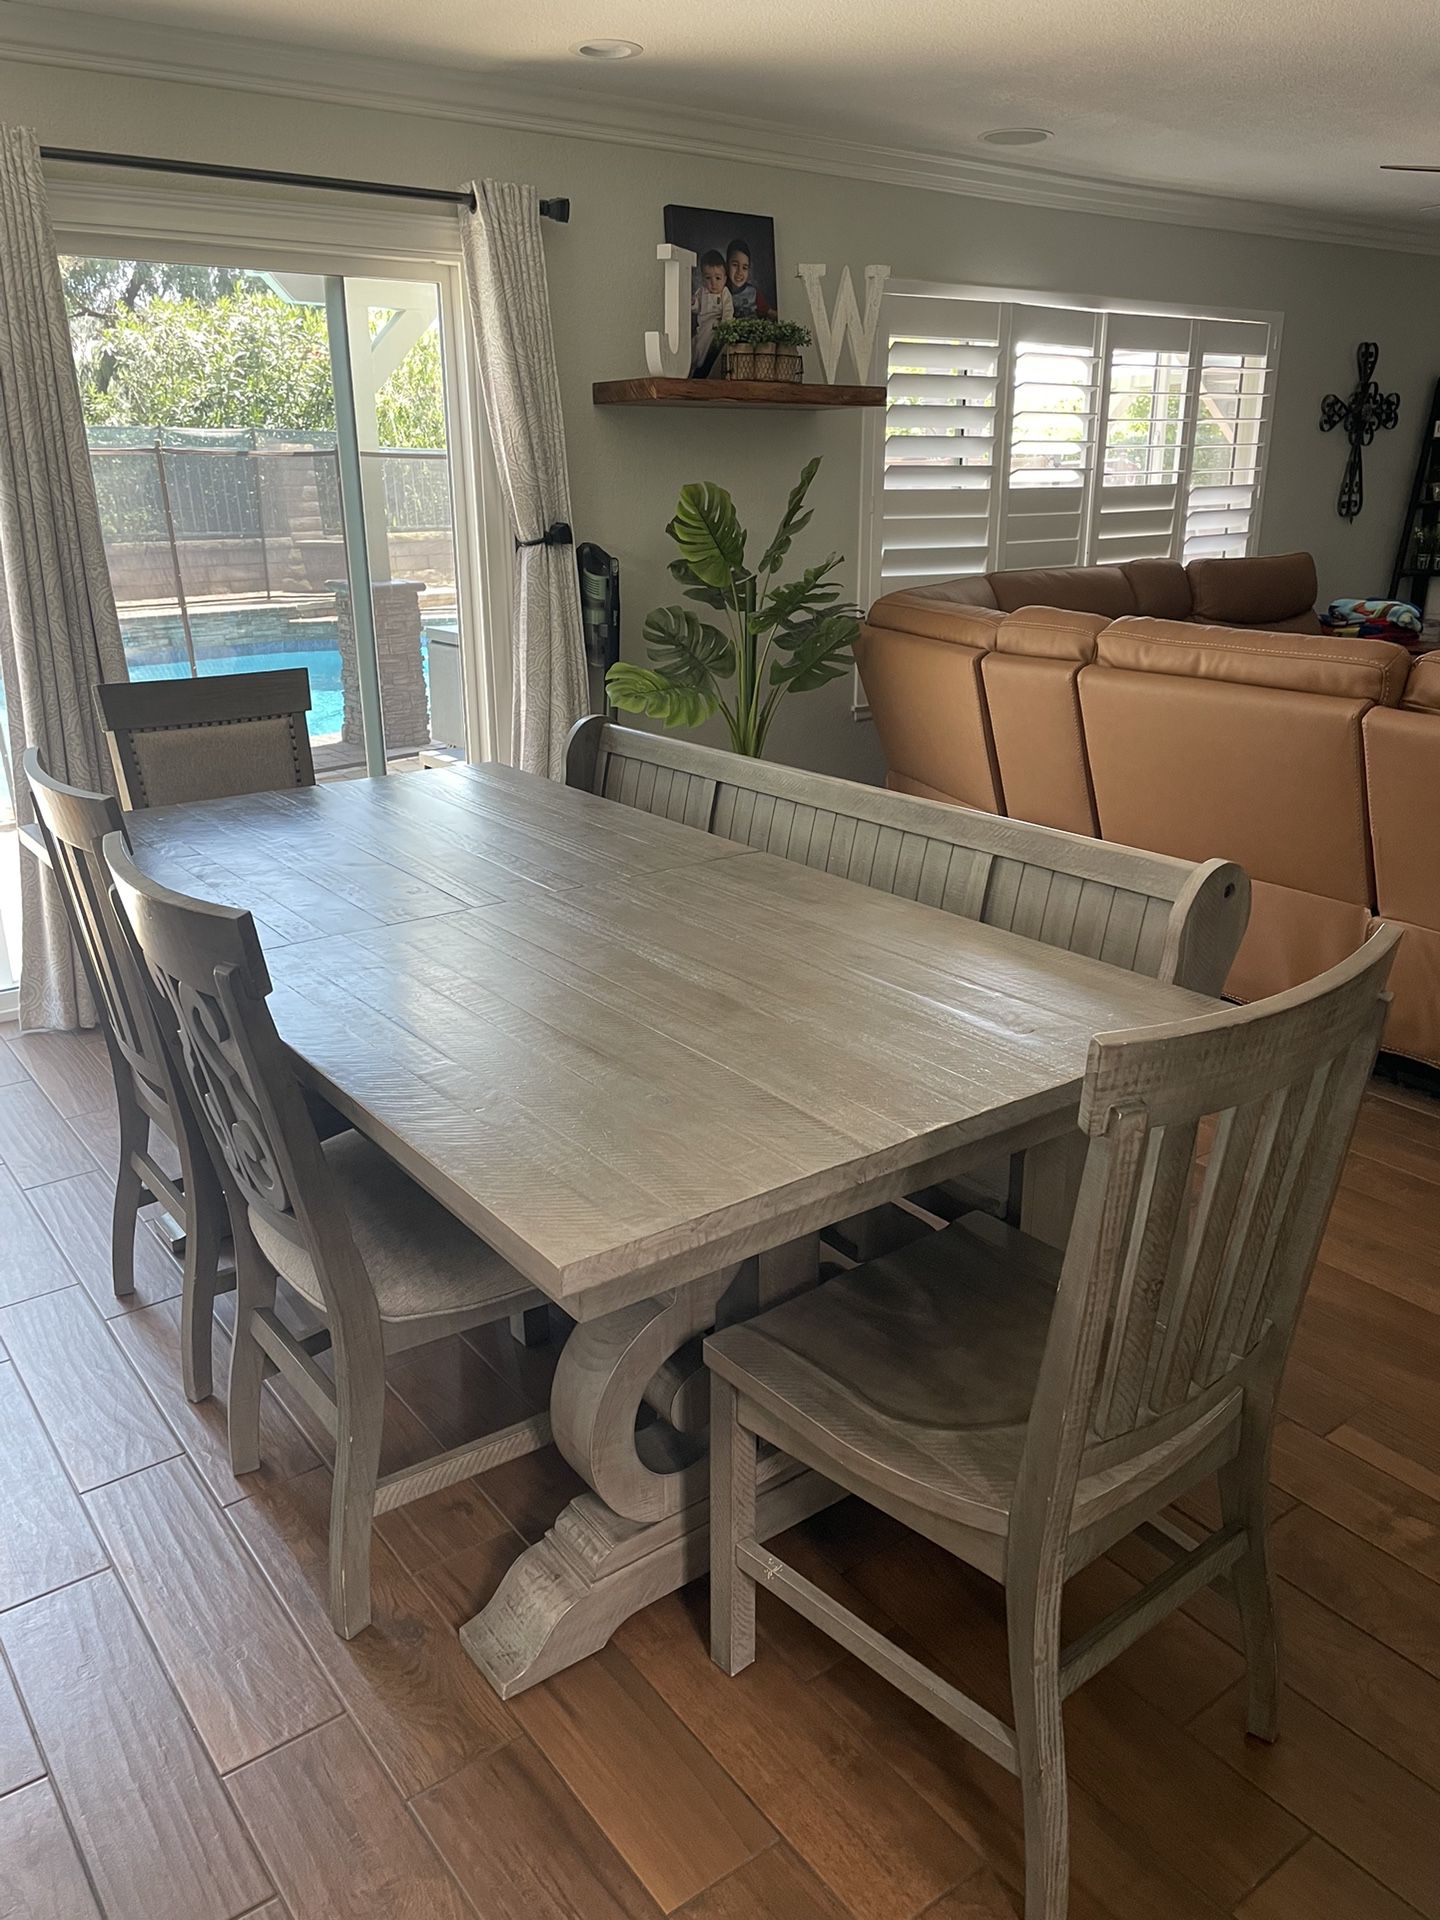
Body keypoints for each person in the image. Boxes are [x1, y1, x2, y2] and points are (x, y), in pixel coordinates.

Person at [691, 250, 733, 376]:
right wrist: (692, 303)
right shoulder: (701, 292)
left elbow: (728, 310)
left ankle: (700, 364)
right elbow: (696, 309)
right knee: (694, 344)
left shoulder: (724, 293)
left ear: (725, 279)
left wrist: (725, 326)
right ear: (703, 278)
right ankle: (693, 365)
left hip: (716, 326)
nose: (713, 283)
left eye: (718, 278)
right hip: (702, 326)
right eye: (708, 278)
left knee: (707, 342)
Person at [726, 238, 773, 319]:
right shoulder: (720, 291)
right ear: (726, 265)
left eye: (744, 268)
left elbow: (769, 312)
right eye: (735, 265)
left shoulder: (754, 293)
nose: (739, 272)